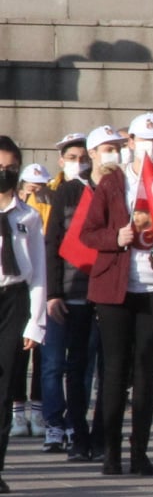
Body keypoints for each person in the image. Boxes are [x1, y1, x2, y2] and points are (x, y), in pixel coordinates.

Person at [79, 112, 153, 477]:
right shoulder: (113, 183)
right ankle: (111, 452)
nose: (152, 147)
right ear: (131, 143)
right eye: (145, 141)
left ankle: (140, 451)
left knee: (146, 372)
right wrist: (114, 238)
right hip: (115, 287)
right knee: (114, 371)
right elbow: (88, 232)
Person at [40, 130, 98, 460]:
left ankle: (78, 426)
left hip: (94, 292)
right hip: (65, 292)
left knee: (82, 366)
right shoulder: (62, 192)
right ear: (62, 161)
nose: (80, 163)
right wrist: (53, 292)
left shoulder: (101, 190)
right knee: (53, 364)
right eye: (73, 158)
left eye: (84, 158)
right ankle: (54, 423)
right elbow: (52, 244)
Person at [0, 136, 48, 494]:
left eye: (11, 168)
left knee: (4, 386)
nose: (5, 173)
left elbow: (38, 272)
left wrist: (36, 321)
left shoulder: (28, 215)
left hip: (13, 299)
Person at [9, 161, 51, 440]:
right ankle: (17, 412)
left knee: (43, 356)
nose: (36, 190)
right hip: (16, 288)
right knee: (16, 357)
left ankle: (37, 411)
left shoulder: (41, 210)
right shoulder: (17, 210)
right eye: (31, 186)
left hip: (39, 284)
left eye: (41, 186)